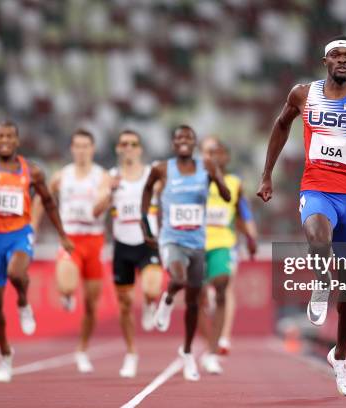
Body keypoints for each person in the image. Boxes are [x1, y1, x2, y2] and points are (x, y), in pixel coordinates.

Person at [257, 36, 346, 396]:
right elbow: (281, 125)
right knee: (318, 237)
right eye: (336, 54)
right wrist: (267, 174)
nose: (342, 60)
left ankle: (341, 356)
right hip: (316, 190)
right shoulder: (303, 94)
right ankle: (322, 280)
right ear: (325, 61)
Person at [0, 121, 73, 382]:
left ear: (17, 141)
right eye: (0, 136)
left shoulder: (32, 171)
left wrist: (62, 235)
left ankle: (23, 301)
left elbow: (48, 202)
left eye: (10, 136)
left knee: (16, 273)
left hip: (19, 234)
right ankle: (5, 353)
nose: (5, 140)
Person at [140, 125, 230, 381]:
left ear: (194, 143)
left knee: (192, 303)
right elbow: (147, 190)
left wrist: (217, 176)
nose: (183, 141)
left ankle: (187, 351)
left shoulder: (207, 167)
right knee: (177, 278)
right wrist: (143, 222)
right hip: (172, 240)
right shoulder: (162, 169)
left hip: (197, 243)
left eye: (188, 138)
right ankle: (167, 300)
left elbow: (224, 196)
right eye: (178, 137)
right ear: (173, 144)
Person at [31, 129, 107, 373]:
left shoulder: (101, 176)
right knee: (66, 284)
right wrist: (32, 228)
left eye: (86, 146)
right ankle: (66, 293)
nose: (82, 150)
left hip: (94, 240)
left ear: (92, 149)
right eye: (78, 145)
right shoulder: (62, 176)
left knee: (92, 305)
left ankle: (82, 350)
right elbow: (42, 198)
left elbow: (106, 199)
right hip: (70, 238)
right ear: (72, 149)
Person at [93, 129, 163, 378]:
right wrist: (110, 192)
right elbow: (96, 211)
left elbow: (171, 195)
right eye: (124, 144)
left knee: (153, 288)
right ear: (118, 149)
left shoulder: (152, 174)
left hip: (148, 244)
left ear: (140, 149)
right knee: (124, 305)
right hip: (122, 246)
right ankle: (132, 353)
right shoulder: (110, 176)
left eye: (134, 143)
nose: (129, 148)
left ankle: (150, 302)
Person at [198, 137, 257, 374]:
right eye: (207, 152)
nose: (211, 157)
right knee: (200, 297)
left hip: (225, 243)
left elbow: (244, 214)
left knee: (225, 284)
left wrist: (251, 238)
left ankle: (222, 338)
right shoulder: (194, 182)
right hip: (197, 245)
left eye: (216, 152)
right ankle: (209, 339)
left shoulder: (233, 183)